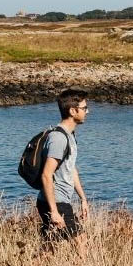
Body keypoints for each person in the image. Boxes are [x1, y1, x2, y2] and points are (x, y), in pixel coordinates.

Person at [38, 88, 90, 256]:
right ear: (73, 111)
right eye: (84, 108)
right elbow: (46, 175)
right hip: (55, 201)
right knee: (81, 242)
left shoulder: (70, 135)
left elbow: (70, 168)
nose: (87, 111)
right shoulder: (59, 138)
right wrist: (54, 211)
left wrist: (83, 198)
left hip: (56, 200)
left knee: (49, 248)